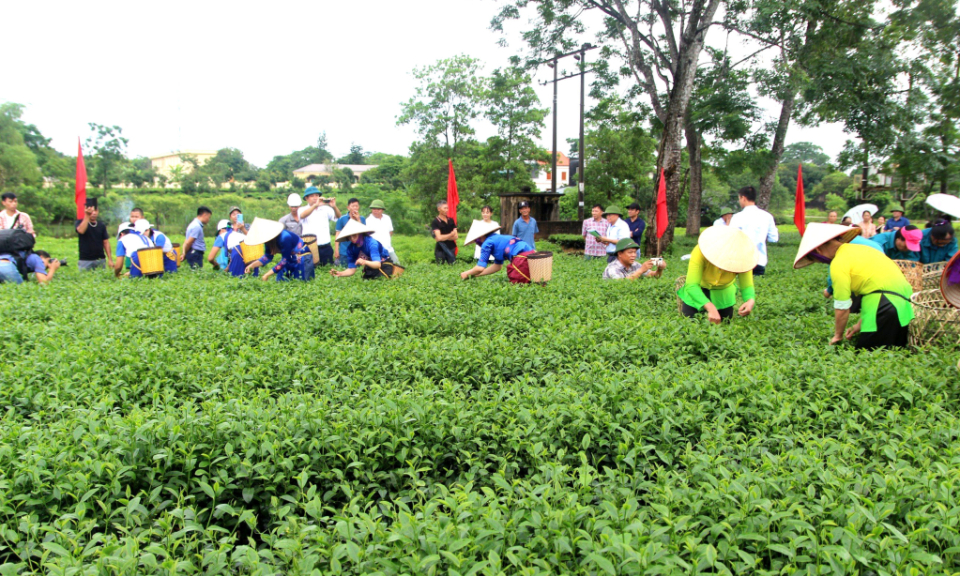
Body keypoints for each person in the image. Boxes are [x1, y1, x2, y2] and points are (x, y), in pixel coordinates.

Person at [794, 222, 913, 349]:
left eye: (816, 259)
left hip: (884, 306)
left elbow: (842, 307)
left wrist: (838, 336)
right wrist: (859, 324)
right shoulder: (862, 249)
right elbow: (879, 285)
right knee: (895, 352)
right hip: (906, 307)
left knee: (867, 356)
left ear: (818, 250)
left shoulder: (839, 263)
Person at [679, 226, 757, 324]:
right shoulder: (700, 251)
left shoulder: (744, 258)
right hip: (697, 292)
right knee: (689, 327)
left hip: (724, 296)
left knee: (723, 328)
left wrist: (750, 300)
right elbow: (691, 285)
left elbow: (747, 286)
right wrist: (710, 308)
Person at [459, 220, 535, 283]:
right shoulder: (495, 239)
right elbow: (497, 266)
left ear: (481, 236)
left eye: (476, 240)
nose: (477, 243)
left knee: (519, 282)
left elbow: (480, 268)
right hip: (532, 254)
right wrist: (474, 275)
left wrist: (466, 274)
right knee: (535, 280)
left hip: (521, 259)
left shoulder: (487, 243)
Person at [729, 186, 778, 276]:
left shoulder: (737, 217)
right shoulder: (767, 216)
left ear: (743, 198)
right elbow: (774, 238)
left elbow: (731, 239)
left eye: (739, 198)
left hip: (741, 262)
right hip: (760, 261)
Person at [243, 217, 309, 281]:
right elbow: (267, 257)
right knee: (281, 280)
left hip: (302, 257)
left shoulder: (285, 238)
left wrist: (267, 275)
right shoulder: (268, 240)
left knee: (299, 281)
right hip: (290, 258)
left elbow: (285, 260)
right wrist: (252, 266)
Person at [329, 219, 399, 279]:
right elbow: (352, 269)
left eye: (354, 235)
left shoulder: (371, 243)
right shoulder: (351, 249)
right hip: (370, 266)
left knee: (381, 279)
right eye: (349, 237)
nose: (352, 238)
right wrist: (340, 273)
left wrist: (364, 262)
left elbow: (377, 264)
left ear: (360, 234)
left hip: (384, 263)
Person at [300, 186, 341, 269]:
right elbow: (302, 216)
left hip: (325, 246)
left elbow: (338, 217)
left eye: (316, 195)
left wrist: (334, 206)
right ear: (306, 198)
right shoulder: (302, 209)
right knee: (311, 269)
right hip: (310, 246)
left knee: (327, 268)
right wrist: (315, 206)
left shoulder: (326, 209)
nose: (315, 198)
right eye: (312, 196)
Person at [602, 238, 666, 280]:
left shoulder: (635, 265)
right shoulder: (613, 267)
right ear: (620, 254)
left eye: (635, 252)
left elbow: (654, 276)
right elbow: (621, 284)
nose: (633, 255)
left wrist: (660, 269)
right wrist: (641, 270)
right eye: (630, 252)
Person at [75, 198, 112, 270]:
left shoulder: (101, 225)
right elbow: (81, 231)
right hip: (85, 260)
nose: (94, 213)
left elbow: (106, 242)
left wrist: (110, 259)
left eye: (96, 210)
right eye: (91, 211)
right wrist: (87, 216)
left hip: (100, 260)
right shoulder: (80, 222)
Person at [367, 199, 398, 264]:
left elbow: (390, 232)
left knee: (397, 265)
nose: (375, 211)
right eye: (374, 209)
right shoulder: (368, 221)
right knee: (380, 269)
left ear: (382, 210)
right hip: (376, 251)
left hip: (388, 248)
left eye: (378, 209)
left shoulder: (387, 218)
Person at [334, 197, 364, 266]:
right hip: (344, 251)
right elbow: (337, 234)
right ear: (348, 207)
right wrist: (336, 250)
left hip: (358, 251)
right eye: (353, 206)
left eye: (356, 206)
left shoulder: (362, 219)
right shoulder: (342, 219)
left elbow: (363, 234)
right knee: (344, 268)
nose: (355, 208)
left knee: (357, 271)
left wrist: (358, 219)